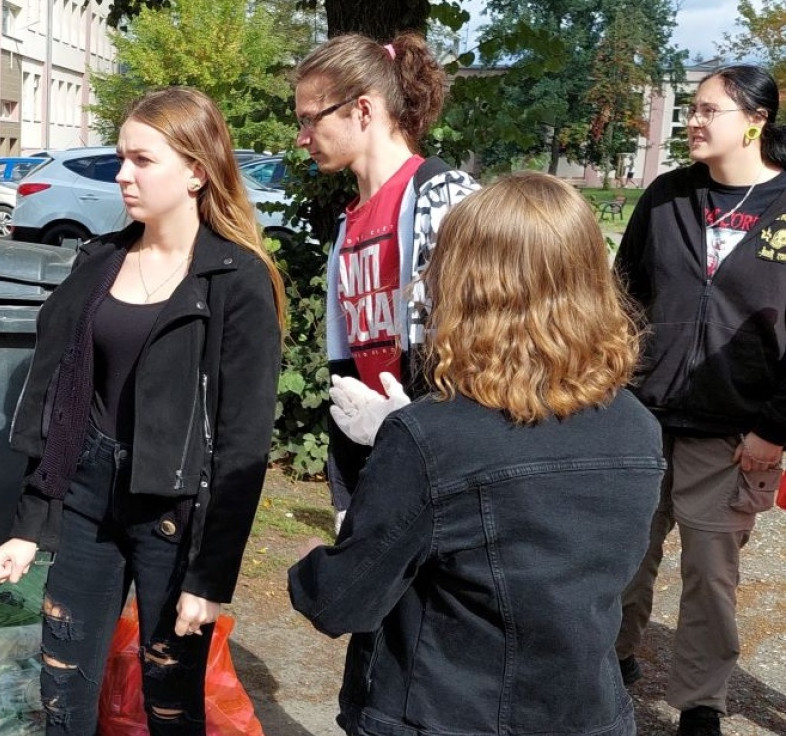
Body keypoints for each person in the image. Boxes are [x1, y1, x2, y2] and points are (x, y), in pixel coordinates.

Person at [290, 172, 665, 736]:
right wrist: (403, 439)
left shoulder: (430, 439)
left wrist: (313, 561)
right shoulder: (637, 427)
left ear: (463, 286)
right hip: (585, 714)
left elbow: (341, 601)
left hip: (442, 715)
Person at [0, 86, 284, 735]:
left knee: (170, 705)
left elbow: (243, 444)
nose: (124, 174)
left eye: (143, 160)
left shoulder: (235, 281)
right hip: (89, 500)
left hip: (173, 512)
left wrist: (209, 577)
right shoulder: (99, 261)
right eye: (122, 158)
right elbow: (57, 398)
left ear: (196, 171)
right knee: (62, 691)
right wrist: (30, 523)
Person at [612, 64, 786, 736]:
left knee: (711, 575)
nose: (694, 120)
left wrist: (774, 427)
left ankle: (701, 702)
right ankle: (611, 657)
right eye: (692, 108)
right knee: (625, 554)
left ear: (755, 121)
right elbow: (621, 298)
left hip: (735, 431)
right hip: (641, 417)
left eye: (710, 110)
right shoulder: (667, 196)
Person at [293, 32, 480, 532]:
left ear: (363, 110)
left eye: (311, 118)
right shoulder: (347, 223)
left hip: (443, 474)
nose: (302, 137)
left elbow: (484, 352)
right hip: (380, 466)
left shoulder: (445, 200)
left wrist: (419, 435)